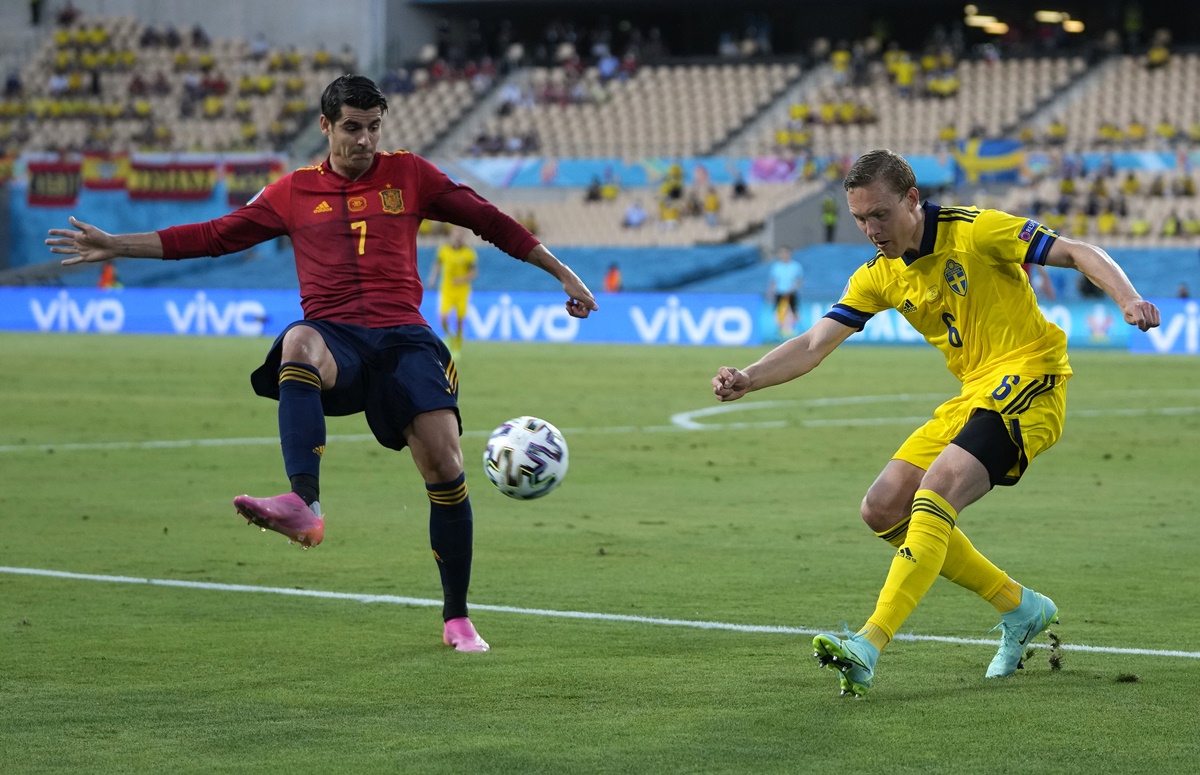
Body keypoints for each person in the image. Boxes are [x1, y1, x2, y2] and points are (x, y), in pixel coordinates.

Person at [47, 74, 598, 654]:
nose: (365, 141)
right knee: (297, 342)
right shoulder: (291, 191)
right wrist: (118, 245)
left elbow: (490, 220)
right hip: (336, 340)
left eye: (374, 128)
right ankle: (304, 504)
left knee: (444, 467)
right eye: (353, 128)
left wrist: (563, 273)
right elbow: (213, 235)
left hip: (404, 340)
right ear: (326, 126)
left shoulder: (411, 174)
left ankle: (457, 617)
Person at [712, 149, 1159, 697]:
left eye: (879, 214)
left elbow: (1074, 250)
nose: (871, 229)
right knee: (882, 507)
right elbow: (812, 343)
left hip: (1031, 378)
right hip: (974, 394)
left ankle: (868, 644)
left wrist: (1127, 296)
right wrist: (749, 377)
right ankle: (1020, 608)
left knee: (937, 489)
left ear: (912, 200)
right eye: (859, 218)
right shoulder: (880, 274)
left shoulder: (977, 231)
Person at [426, 227, 478, 357]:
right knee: (443, 317)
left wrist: (461, 279)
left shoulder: (468, 253)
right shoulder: (444, 250)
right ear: (451, 236)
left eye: (460, 235)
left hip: (462, 291)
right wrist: (432, 277)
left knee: (460, 320)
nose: (457, 237)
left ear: (463, 237)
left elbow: (474, 272)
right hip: (447, 289)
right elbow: (437, 264)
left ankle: (457, 346)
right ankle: (450, 336)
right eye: (455, 235)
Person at [766, 246, 804, 339]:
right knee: (779, 312)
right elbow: (773, 281)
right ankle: (780, 331)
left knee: (794, 311)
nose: (784, 255)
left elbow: (799, 281)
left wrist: (793, 289)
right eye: (782, 253)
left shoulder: (795, 266)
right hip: (780, 292)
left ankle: (795, 330)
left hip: (792, 293)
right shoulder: (776, 267)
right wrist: (770, 293)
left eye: (786, 253)